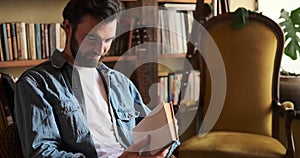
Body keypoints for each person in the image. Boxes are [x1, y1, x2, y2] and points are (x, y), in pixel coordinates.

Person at [14, 0, 179, 157]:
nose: (101, 50)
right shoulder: (36, 83)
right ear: (67, 27)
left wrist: (163, 148)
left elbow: (155, 130)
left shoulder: (119, 82)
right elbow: (42, 153)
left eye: (108, 40)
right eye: (92, 38)